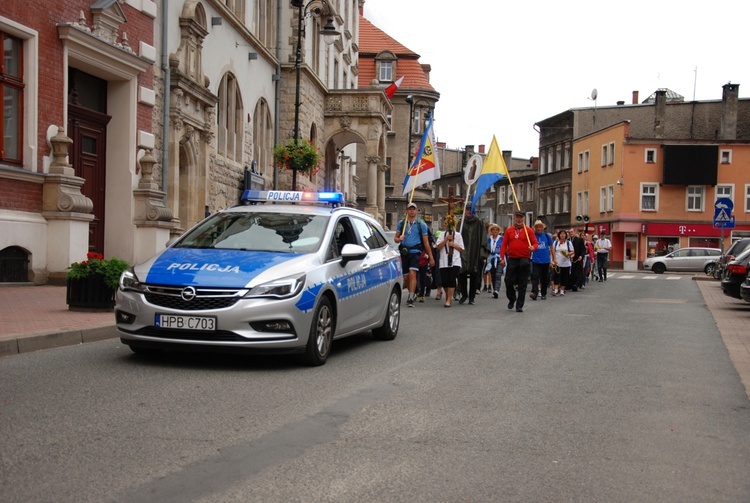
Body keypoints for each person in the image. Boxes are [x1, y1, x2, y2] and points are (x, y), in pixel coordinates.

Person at [395, 202, 434, 307]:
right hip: (404, 252)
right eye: (410, 209)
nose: (412, 211)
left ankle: (411, 297)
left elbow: (426, 242)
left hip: (415, 252)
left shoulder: (421, 224)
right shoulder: (401, 223)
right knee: (406, 277)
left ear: (416, 211)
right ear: (407, 211)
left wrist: (431, 257)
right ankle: (413, 291)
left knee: (413, 273)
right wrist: (399, 239)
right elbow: (395, 239)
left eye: (413, 209)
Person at [499, 211, 538, 312]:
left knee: (522, 283)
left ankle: (519, 305)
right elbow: (504, 244)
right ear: (515, 218)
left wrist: (532, 248)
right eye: (517, 217)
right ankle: (512, 299)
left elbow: (535, 244)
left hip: (524, 258)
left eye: (521, 217)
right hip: (512, 259)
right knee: (508, 281)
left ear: (524, 218)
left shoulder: (528, 230)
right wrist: (501, 257)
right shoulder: (509, 230)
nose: (519, 219)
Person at [458, 205, 486, 305]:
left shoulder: (479, 222)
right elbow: (457, 236)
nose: (469, 212)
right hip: (463, 251)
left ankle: (472, 297)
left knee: (474, 274)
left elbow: (483, 237)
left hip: (475, 251)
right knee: (462, 274)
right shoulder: (461, 223)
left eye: (470, 210)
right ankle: (464, 294)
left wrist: (482, 254)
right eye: (467, 209)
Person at [435, 216, 463, 307]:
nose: (446, 225)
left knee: (451, 279)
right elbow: (438, 247)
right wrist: (446, 239)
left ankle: (448, 299)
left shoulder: (458, 235)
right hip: (444, 260)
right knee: (444, 281)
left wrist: (453, 245)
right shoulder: (442, 234)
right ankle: (448, 296)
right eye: (445, 223)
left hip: (455, 260)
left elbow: (461, 249)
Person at [530, 220, 554, 300]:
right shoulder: (532, 236)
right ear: (535, 228)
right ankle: (534, 292)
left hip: (545, 260)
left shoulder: (547, 236)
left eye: (540, 227)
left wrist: (554, 258)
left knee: (544, 278)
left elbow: (551, 247)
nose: (538, 228)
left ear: (542, 228)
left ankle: (543, 293)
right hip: (536, 260)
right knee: (535, 277)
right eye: (537, 227)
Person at [551, 229, 574, 296]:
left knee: (564, 276)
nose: (562, 235)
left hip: (566, 263)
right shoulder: (555, 243)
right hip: (557, 262)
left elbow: (573, 251)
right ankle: (555, 290)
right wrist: (553, 260)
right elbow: (553, 252)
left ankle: (562, 290)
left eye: (564, 234)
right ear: (559, 235)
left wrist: (568, 254)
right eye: (561, 234)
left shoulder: (568, 243)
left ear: (566, 235)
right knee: (556, 276)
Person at [485, 223, 504, 299]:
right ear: (491, 231)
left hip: (499, 259)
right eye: (493, 229)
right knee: (493, 275)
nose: (495, 231)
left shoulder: (502, 239)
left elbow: (504, 249)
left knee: (498, 275)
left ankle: (496, 290)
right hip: (491, 259)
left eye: (496, 229)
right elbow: (486, 249)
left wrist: (503, 258)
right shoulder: (489, 239)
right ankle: (494, 290)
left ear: (498, 231)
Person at [568, 227, 586, 291]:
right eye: (569, 232)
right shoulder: (567, 241)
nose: (570, 233)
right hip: (569, 259)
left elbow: (583, 249)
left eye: (572, 232)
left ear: (574, 232)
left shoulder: (579, 240)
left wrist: (581, 256)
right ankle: (570, 284)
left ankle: (576, 284)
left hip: (577, 258)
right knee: (571, 272)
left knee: (577, 272)